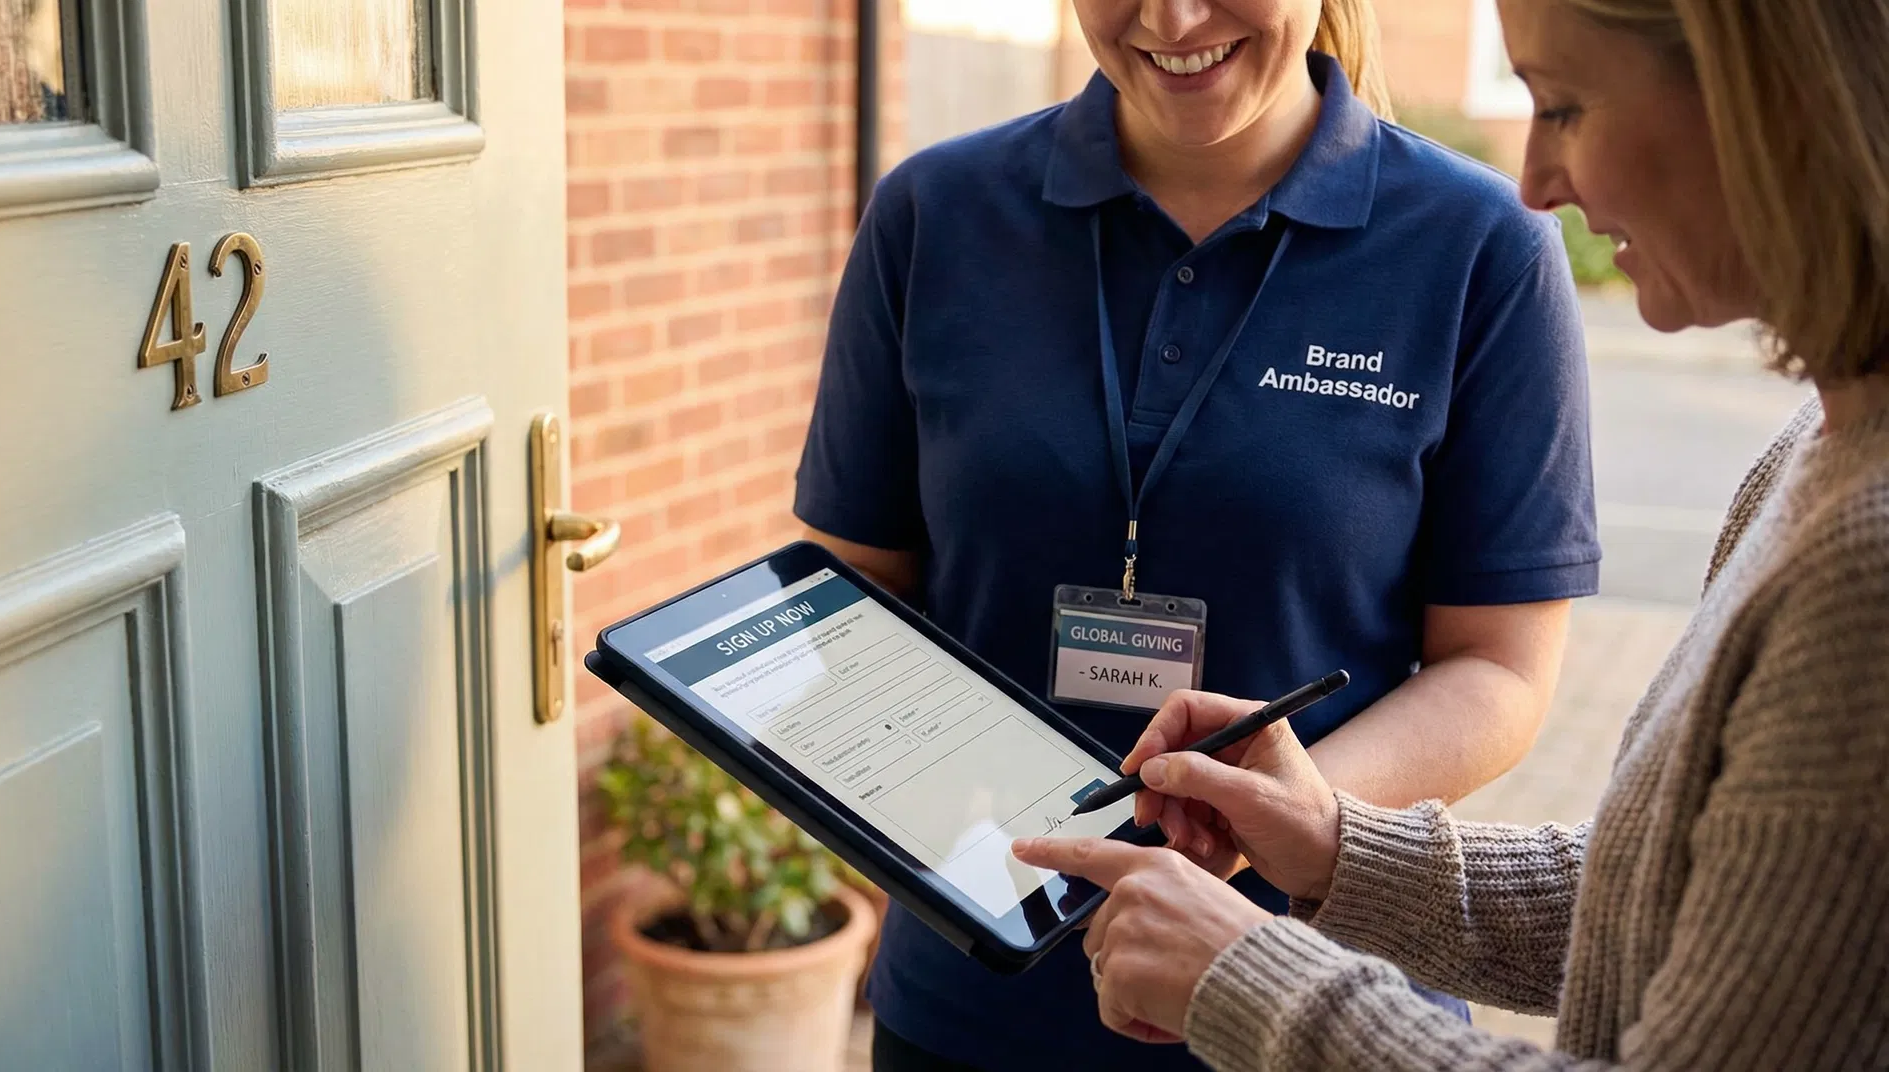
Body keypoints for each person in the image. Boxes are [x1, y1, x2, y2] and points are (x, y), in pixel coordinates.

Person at [1012, 0, 1889, 1066]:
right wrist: (1339, 846)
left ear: (1767, 103)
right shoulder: (1821, 442)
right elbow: (1690, 892)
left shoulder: (1865, 569)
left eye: (1562, 105)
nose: (1536, 181)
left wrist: (1251, 973)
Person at [793, 0, 1605, 1066]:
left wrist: (1276, 807)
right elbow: (852, 592)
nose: (1172, 17)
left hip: (1319, 999)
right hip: (974, 999)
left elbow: (1499, 669)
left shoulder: (1481, 247)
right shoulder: (932, 216)